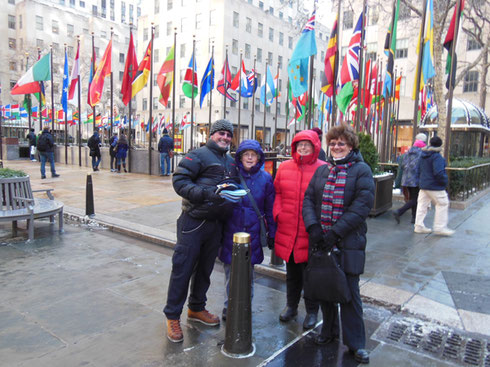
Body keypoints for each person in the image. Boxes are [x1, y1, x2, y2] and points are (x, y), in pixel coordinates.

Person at [302, 124, 375, 364]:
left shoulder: (362, 170)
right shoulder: (323, 170)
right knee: (326, 288)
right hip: (322, 241)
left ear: (351, 145)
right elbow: (309, 199)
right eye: (332, 143)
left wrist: (335, 232)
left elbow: (361, 207)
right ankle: (329, 331)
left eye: (341, 143)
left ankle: (356, 343)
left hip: (347, 242)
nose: (336, 147)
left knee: (350, 293)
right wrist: (313, 228)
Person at [164, 119, 238, 343]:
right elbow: (179, 181)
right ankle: (172, 316)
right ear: (212, 134)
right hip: (193, 222)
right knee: (183, 269)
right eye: (221, 133)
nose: (225, 137)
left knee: (205, 269)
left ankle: (196, 308)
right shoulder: (198, 155)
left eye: (228, 134)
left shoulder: (229, 160)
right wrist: (207, 194)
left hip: (215, 224)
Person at [273, 130, 326, 330]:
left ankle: (312, 311)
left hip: (310, 230)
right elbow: (277, 192)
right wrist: (278, 212)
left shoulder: (324, 168)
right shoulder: (285, 167)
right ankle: (291, 306)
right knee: (292, 273)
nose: (303, 148)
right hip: (288, 228)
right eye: (299, 144)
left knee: (311, 275)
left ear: (315, 147)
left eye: (307, 144)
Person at [218, 139, 276, 321]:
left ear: (259, 157)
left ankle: (245, 306)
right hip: (231, 232)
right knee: (230, 272)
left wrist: (272, 233)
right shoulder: (231, 175)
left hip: (252, 233)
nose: (250, 158)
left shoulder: (266, 178)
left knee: (248, 274)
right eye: (246, 154)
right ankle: (229, 305)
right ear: (240, 157)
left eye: (253, 154)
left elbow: (269, 209)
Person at [414, 136, 454, 236]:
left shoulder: (423, 155)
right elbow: (439, 173)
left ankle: (418, 226)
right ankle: (440, 228)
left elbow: (418, 169)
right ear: (440, 145)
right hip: (434, 186)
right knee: (443, 203)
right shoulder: (437, 157)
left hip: (424, 185)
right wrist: (444, 182)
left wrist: (421, 181)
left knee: (422, 205)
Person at [393, 133, 427, 224]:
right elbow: (423, 167)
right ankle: (399, 211)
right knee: (415, 199)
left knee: (413, 198)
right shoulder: (422, 154)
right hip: (416, 180)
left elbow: (403, 165)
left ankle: (414, 217)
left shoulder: (407, 152)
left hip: (406, 179)